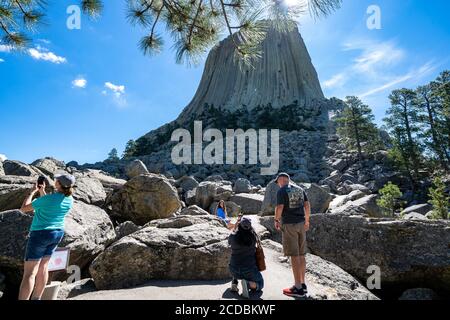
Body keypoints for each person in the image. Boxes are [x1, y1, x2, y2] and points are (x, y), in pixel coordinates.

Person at [18, 174, 76, 300]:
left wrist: (31, 193)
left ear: (59, 184)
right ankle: (37, 298)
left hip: (40, 234)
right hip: (57, 233)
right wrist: (42, 191)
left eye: (57, 180)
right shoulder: (69, 199)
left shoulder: (48, 199)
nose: (55, 180)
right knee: (44, 267)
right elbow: (50, 204)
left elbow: (23, 209)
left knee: (29, 273)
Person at [274, 172, 310, 298]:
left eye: (277, 182)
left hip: (290, 225)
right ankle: (303, 284)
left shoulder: (282, 191)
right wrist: (307, 220)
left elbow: (279, 207)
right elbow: (307, 205)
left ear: (281, 180)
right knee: (301, 254)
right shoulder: (300, 189)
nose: (278, 184)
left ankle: (297, 287)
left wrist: (277, 220)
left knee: (294, 255)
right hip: (301, 224)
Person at [228, 216, 264, 299]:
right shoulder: (253, 237)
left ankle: (234, 283)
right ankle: (248, 284)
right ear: (250, 226)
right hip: (249, 270)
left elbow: (229, 240)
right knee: (260, 283)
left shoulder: (233, 237)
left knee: (236, 259)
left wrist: (235, 229)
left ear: (239, 226)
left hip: (234, 269)